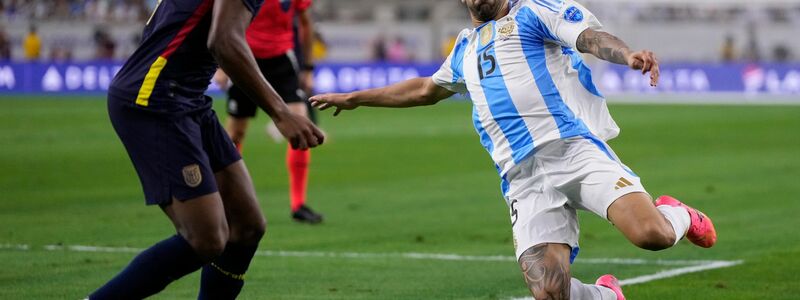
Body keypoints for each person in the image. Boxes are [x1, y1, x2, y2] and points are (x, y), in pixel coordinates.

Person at [311, 0, 717, 299]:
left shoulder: (534, 12)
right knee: (549, 292)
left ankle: (679, 214)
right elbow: (424, 89)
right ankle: (608, 295)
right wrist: (356, 98)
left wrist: (627, 54)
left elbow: (589, 37)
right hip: (522, 177)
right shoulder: (465, 47)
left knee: (652, 235)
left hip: (572, 150)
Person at [90, 0, 324, 298]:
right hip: (154, 98)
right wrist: (280, 112)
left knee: (246, 226)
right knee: (206, 239)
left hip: (188, 97)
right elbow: (223, 40)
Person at [214, 0, 323, 224]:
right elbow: (224, 21)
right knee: (234, 135)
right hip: (245, 60)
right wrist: (221, 65)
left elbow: (306, 23)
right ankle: (225, 202)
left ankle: (298, 204)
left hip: (282, 61)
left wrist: (309, 67)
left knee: (300, 128)